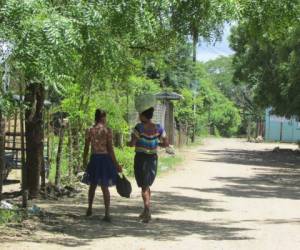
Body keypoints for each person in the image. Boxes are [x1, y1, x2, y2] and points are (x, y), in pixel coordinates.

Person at [127, 107, 169, 223]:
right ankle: (145, 211)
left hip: (141, 159)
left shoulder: (139, 128)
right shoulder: (159, 128)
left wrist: (128, 143)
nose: (139, 116)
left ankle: (147, 211)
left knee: (144, 186)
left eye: (140, 114)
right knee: (146, 185)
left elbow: (132, 143)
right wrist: (155, 143)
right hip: (153, 159)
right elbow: (166, 143)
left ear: (144, 116)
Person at [82, 109, 122, 222]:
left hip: (94, 159)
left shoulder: (90, 130)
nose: (106, 119)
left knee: (92, 185)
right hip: (105, 160)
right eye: (105, 117)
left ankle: (89, 208)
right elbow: (110, 150)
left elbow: (86, 147)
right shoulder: (107, 130)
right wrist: (116, 164)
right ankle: (107, 213)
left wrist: (84, 159)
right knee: (105, 186)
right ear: (103, 117)